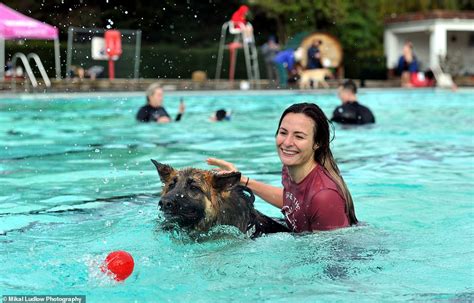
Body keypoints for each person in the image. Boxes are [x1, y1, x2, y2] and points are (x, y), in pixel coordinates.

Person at [207, 103, 358, 232]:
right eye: (283, 133)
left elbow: (327, 257)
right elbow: (294, 202)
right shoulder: (291, 168)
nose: (287, 142)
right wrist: (241, 180)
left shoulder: (324, 196)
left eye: (299, 136)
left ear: (317, 143)